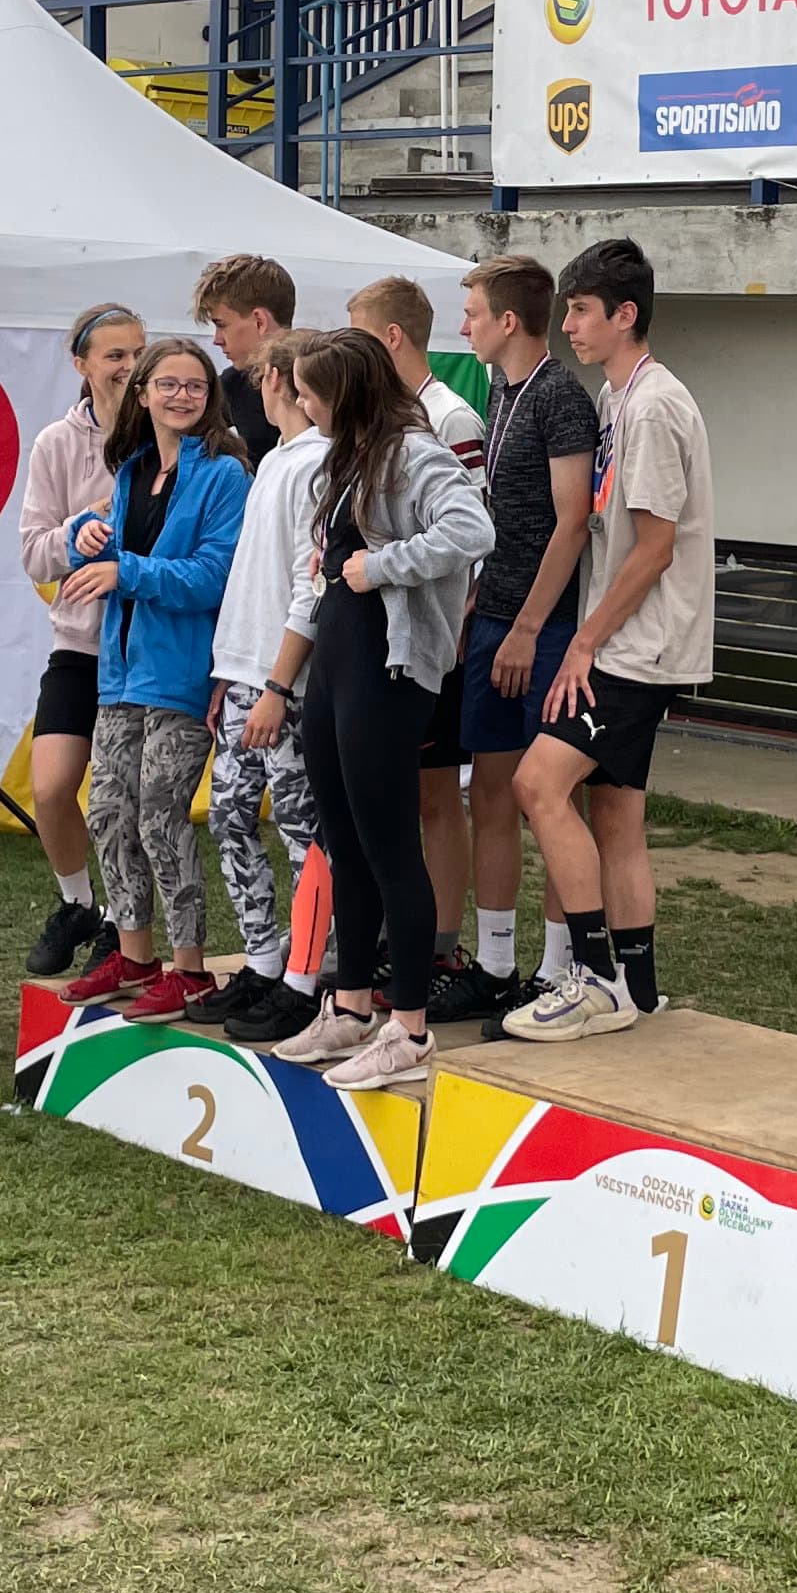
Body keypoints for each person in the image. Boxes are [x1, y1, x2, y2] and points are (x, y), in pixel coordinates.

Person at [263, 327, 492, 1091]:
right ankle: (351, 1007)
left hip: (388, 672)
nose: (302, 404)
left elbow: (473, 529)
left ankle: (410, 1029)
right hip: (335, 665)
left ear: (347, 392)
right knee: (345, 844)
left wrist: (384, 564)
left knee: (390, 846)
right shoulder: (343, 459)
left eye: (311, 392)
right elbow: (324, 569)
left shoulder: (414, 452)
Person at [502, 239, 717, 1044]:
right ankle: (638, 986)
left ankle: (592, 980)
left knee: (537, 785)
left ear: (626, 315)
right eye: (567, 310)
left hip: (636, 645)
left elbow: (655, 548)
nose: (569, 326)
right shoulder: (616, 396)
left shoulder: (654, 405)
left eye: (582, 311)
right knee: (617, 812)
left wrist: (584, 642)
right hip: (630, 638)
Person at [56, 337, 250, 1018]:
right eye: (168, 384)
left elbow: (215, 576)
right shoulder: (134, 470)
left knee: (162, 817)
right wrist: (86, 536)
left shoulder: (225, 474)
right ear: (142, 393)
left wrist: (125, 570)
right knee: (109, 814)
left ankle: (189, 969)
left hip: (182, 675)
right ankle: (136, 957)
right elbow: (115, 555)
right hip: (120, 675)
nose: (182, 396)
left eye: (195, 385)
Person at [453, 259, 597, 1015]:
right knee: (492, 792)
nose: (464, 326)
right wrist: (479, 604)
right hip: (495, 616)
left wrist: (528, 627)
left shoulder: (561, 397)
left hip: (544, 626)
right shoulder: (502, 391)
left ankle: (560, 966)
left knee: (550, 797)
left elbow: (572, 523)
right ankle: (496, 962)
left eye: (473, 313)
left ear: (508, 321)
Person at [349, 275, 486, 1011]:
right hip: (382, 643)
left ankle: (440, 943)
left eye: (360, 337)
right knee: (390, 797)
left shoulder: (449, 416)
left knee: (435, 794)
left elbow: (473, 535)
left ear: (391, 337)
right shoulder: (374, 420)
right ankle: (391, 938)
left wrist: (454, 620)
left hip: (436, 637)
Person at [15, 303, 145, 980]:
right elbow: (34, 554)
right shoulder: (56, 443)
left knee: (123, 801)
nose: (129, 367)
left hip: (146, 645)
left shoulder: (169, 429)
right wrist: (79, 530)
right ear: (81, 365)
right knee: (50, 788)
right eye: (115, 355)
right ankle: (78, 904)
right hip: (78, 643)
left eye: (137, 352)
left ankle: (124, 925)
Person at [207, 337, 329, 1043]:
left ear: (277, 379)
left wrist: (280, 685)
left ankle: (310, 972)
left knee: (300, 829)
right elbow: (251, 579)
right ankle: (263, 957)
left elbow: (308, 587)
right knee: (228, 815)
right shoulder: (276, 458)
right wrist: (229, 670)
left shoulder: (316, 461)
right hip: (247, 674)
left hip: (286, 682)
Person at [196, 254, 296, 462]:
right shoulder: (231, 384)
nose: (217, 340)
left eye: (221, 325)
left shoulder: (321, 378)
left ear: (259, 321)